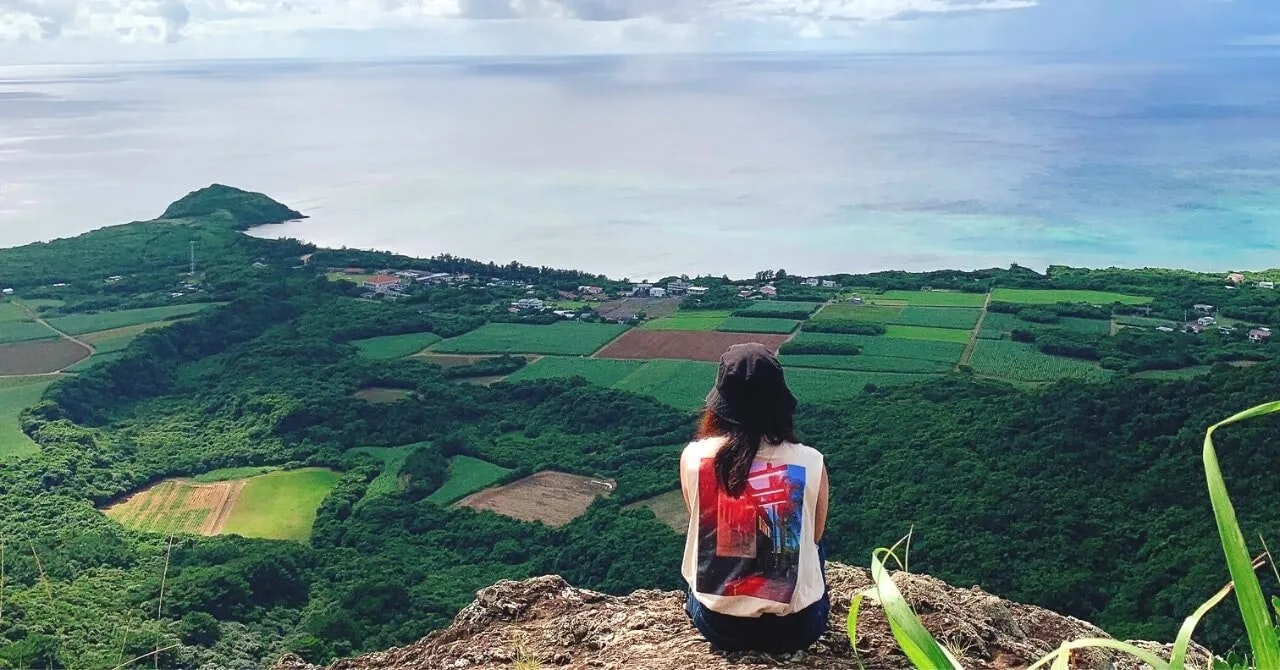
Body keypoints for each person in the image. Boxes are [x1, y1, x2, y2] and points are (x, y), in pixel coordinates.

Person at [680, 342, 831, 654]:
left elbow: (698, 518)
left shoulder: (694, 458)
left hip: (720, 626)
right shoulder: (811, 461)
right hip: (797, 630)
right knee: (813, 543)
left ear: (719, 407)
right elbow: (815, 535)